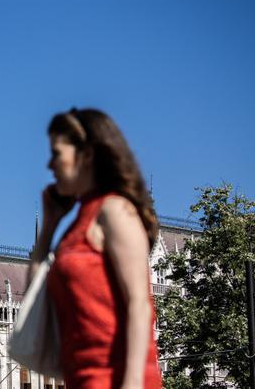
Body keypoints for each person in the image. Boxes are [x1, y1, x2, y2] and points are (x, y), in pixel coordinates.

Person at [30, 108, 162, 388]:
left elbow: (140, 304)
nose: (49, 165)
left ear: (86, 154)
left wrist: (132, 384)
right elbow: (35, 303)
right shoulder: (75, 225)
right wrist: (49, 229)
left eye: (56, 153)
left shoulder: (115, 211)